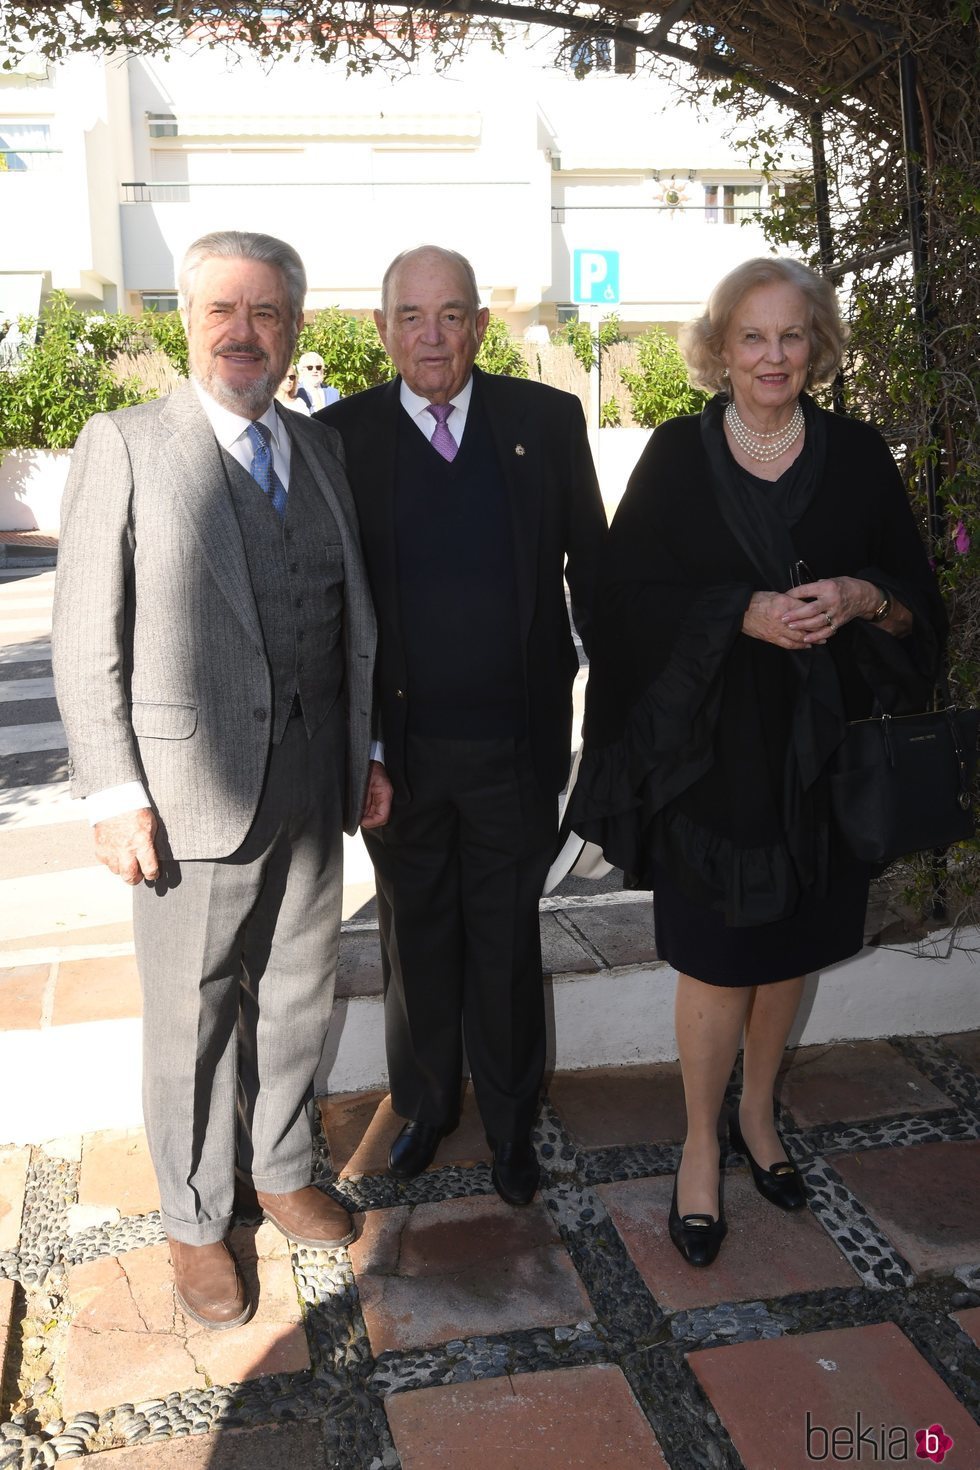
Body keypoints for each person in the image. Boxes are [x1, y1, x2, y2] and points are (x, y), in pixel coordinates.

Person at [570, 257, 945, 1265]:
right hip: (707, 756)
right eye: (752, 336)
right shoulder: (674, 457)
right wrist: (736, 612)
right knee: (713, 958)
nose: (771, 356)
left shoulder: (857, 454)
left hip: (820, 755)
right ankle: (699, 1144)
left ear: (813, 346)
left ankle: (759, 1119)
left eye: (790, 336)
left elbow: (913, 595)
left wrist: (859, 598)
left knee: (788, 949)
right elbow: (618, 602)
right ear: (719, 347)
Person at [52, 230, 392, 1329]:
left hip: (311, 776)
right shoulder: (125, 443)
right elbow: (83, 635)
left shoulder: (320, 447)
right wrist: (112, 791)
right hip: (186, 784)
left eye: (268, 314)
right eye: (222, 312)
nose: (246, 334)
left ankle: (284, 1165)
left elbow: (353, 624)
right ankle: (197, 1219)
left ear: (295, 328)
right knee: (191, 1018)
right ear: (187, 323)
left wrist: (369, 753)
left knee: (301, 988)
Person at [317, 245, 606, 1205]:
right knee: (417, 939)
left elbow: (593, 581)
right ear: (382, 328)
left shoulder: (546, 422)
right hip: (397, 760)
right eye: (411, 316)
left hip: (512, 750)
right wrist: (356, 750)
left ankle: (514, 1123)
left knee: (505, 939)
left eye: (451, 315)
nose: (431, 335)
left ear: (481, 324)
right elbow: (325, 610)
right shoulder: (339, 438)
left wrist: (612, 720)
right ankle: (428, 1108)